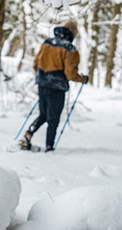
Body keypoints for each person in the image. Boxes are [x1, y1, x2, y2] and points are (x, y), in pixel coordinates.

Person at [20, 20, 88, 152]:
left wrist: (42, 77)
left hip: (42, 84)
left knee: (43, 114)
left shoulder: (47, 43)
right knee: (53, 119)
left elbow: (36, 63)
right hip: (57, 88)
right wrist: (83, 79)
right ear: (73, 33)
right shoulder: (70, 49)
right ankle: (49, 148)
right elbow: (70, 74)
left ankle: (28, 134)